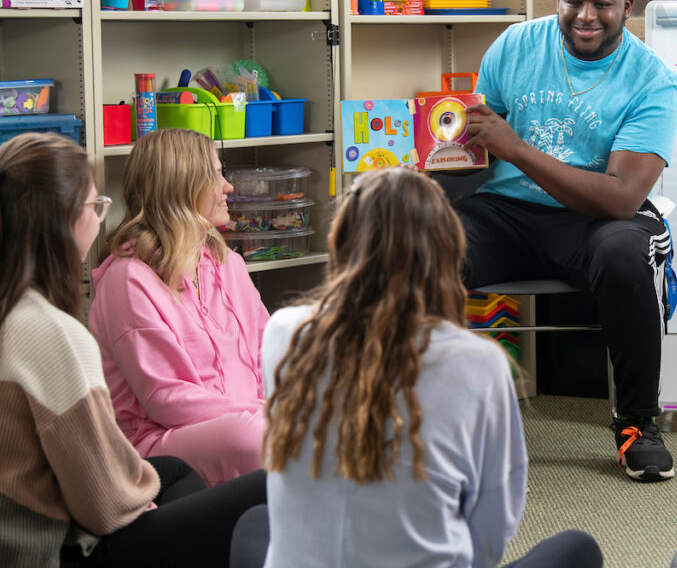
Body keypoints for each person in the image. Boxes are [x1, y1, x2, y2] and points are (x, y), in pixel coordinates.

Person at [261, 168, 602, 567]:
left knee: (253, 525)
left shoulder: (283, 331)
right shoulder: (478, 363)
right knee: (579, 549)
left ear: (340, 243)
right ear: (448, 251)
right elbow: (494, 525)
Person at [459, 0, 677, 482]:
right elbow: (476, 145)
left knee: (627, 253)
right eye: (574, 2)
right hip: (505, 211)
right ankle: (427, 418)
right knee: (424, 244)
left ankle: (636, 424)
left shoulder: (653, 80)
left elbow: (620, 199)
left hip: (595, 219)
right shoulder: (515, 44)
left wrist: (515, 149)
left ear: (626, 7)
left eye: (602, 4)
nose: (587, 16)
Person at [0, 132, 266, 567]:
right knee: (259, 474)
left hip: (64, 522)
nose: (228, 187)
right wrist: (147, 502)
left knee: (198, 473)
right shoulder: (57, 331)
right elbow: (103, 501)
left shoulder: (23, 318)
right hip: (60, 547)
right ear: (66, 220)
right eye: (95, 206)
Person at [90, 128, 269, 486]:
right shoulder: (128, 279)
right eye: (216, 174)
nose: (228, 187)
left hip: (254, 418)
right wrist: (268, 414)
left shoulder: (227, 264)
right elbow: (167, 400)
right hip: (157, 441)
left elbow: (271, 352)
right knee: (256, 438)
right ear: (183, 185)